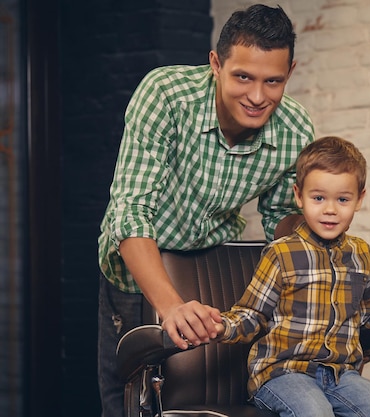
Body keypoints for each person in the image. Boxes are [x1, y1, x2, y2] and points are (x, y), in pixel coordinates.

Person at [97, 5, 314, 417]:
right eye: (243, 77)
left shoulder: (296, 128)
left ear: (290, 71)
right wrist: (170, 306)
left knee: (208, 393)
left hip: (207, 270)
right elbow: (130, 211)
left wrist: (313, 226)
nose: (257, 96)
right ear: (216, 64)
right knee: (125, 404)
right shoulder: (165, 95)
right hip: (134, 264)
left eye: (273, 81)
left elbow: (279, 221)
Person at [213, 136, 370, 417]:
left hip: (340, 375)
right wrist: (221, 326)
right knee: (315, 413)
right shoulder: (281, 253)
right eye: (318, 198)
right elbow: (252, 315)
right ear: (298, 196)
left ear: (359, 199)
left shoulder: (359, 252)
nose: (330, 209)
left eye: (342, 199)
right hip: (282, 374)